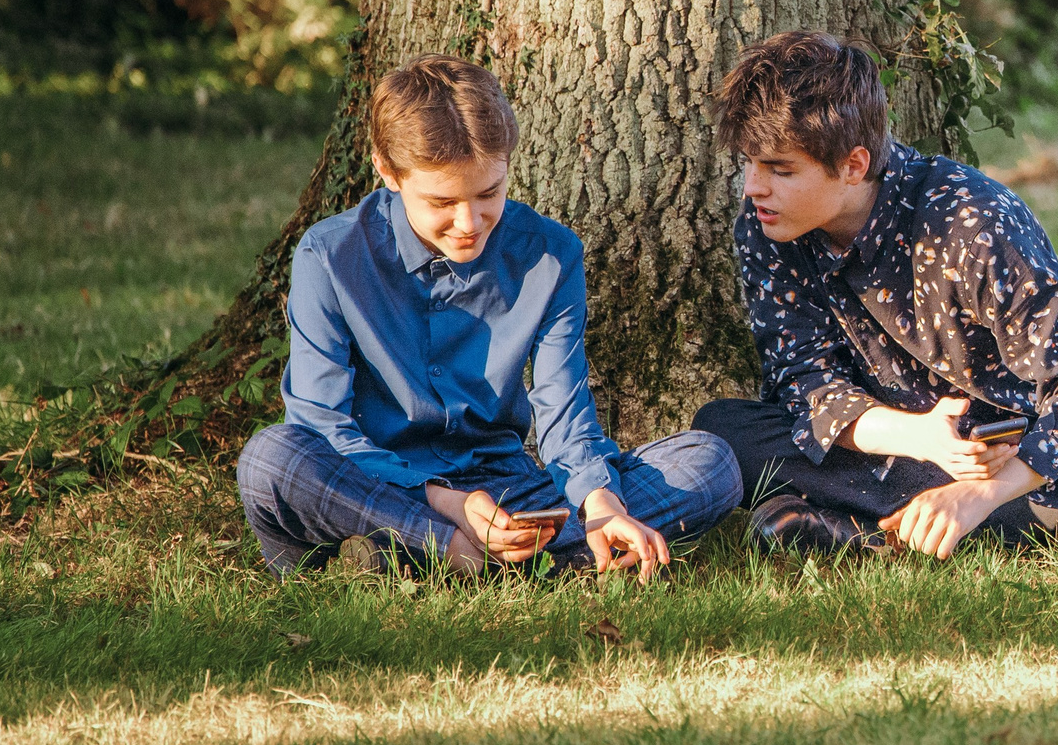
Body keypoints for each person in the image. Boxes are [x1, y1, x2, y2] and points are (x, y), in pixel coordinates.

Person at [694, 31, 1058, 557]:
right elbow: (802, 381)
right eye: (749, 163)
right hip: (888, 447)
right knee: (723, 431)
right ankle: (1040, 525)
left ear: (853, 165)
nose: (753, 187)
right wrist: (918, 437)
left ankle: (870, 529)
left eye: (780, 170)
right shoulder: (768, 224)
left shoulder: (971, 223)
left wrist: (983, 491)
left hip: (1010, 453)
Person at [236, 55, 740, 579]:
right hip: (376, 488)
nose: (469, 223)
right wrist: (447, 510)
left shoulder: (549, 255)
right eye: (442, 201)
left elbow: (564, 415)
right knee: (272, 458)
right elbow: (321, 424)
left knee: (711, 463)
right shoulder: (330, 256)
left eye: (489, 194)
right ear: (387, 169)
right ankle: (464, 553)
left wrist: (600, 504)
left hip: (506, 490)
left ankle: (419, 563)